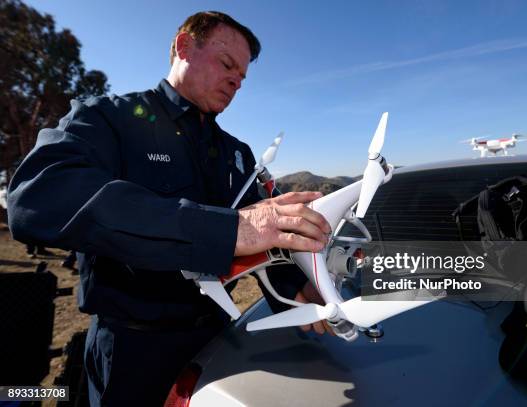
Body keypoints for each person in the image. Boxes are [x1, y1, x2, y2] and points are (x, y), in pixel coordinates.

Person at [7, 11, 332, 406]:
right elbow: (38, 197)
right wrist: (228, 229)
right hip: (133, 352)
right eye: (227, 64)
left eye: (242, 77)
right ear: (183, 47)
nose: (235, 81)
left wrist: (295, 287)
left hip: (218, 341)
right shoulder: (108, 119)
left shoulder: (237, 154)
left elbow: (266, 240)